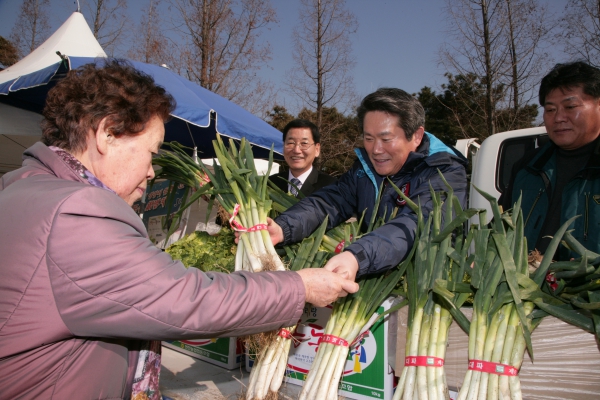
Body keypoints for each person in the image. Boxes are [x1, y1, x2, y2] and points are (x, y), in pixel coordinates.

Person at [0, 59, 358, 400]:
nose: (152, 170)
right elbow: (186, 300)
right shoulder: (77, 211)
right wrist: (300, 285)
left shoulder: (23, 187)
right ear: (107, 134)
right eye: (151, 152)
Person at [265, 88, 468, 281]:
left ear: (416, 136)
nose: (376, 150)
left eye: (386, 139)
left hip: (422, 286)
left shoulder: (444, 172)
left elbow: (418, 225)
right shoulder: (363, 170)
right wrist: (283, 227)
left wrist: (357, 256)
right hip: (373, 277)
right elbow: (329, 202)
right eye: (368, 138)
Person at [500, 61, 600, 260]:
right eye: (550, 109)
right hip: (527, 286)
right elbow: (500, 227)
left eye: (570, 106)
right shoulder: (529, 166)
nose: (559, 118)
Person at [270, 119, 336, 197]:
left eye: (304, 143)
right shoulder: (269, 184)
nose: (296, 150)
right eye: (291, 143)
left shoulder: (331, 187)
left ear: (317, 149)